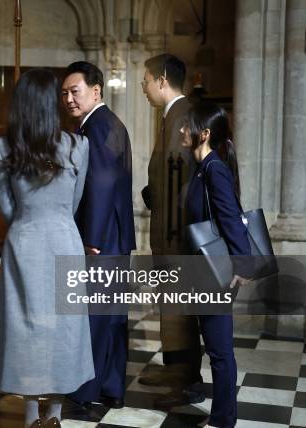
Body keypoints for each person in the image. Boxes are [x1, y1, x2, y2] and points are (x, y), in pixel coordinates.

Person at [0, 69, 95, 428]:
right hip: (65, 240)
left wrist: (28, 218)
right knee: (64, 328)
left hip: (24, 242)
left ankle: (31, 416)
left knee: (27, 328)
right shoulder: (77, 146)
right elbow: (76, 203)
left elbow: (5, 207)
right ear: (53, 106)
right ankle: (55, 416)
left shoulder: (4, 147)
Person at [61, 61, 135, 408]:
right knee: (111, 318)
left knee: (93, 318)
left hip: (100, 241)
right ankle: (111, 388)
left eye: (74, 91)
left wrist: (91, 238)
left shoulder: (97, 127)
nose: (69, 99)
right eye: (65, 93)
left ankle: (86, 392)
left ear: (96, 91)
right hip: (114, 238)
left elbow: (102, 185)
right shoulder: (109, 123)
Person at [139, 53, 203, 405]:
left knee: (179, 307)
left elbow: (182, 182)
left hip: (178, 236)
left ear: (161, 80)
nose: (144, 89)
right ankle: (174, 368)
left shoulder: (183, 116)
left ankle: (186, 382)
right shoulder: (172, 116)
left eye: (146, 82)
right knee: (170, 306)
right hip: (169, 230)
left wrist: (156, 199)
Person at [181, 102, 249, 427]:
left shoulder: (213, 168)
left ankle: (223, 420)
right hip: (204, 271)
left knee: (220, 350)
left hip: (216, 273)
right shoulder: (201, 167)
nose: (182, 130)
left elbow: (232, 219)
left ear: (204, 133)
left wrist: (242, 266)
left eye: (188, 126)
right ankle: (223, 417)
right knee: (216, 348)